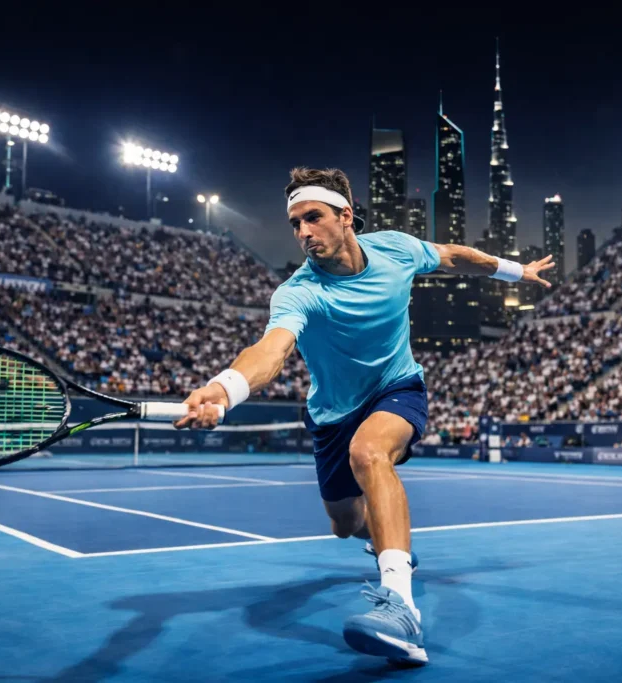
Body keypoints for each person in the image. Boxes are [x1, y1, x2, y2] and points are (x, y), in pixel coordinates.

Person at [173, 167, 553, 665]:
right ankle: (387, 541)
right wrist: (223, 389)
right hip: (332, 413)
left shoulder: (395, 248)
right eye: (295, 223)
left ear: (346, 216)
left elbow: (456, 256)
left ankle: (401, 606)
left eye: (313, 218)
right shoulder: (298, 291)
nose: (303, 232)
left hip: (396, 387)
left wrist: (514, 270)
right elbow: (270, 352)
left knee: (370, 453)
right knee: (346, 524)